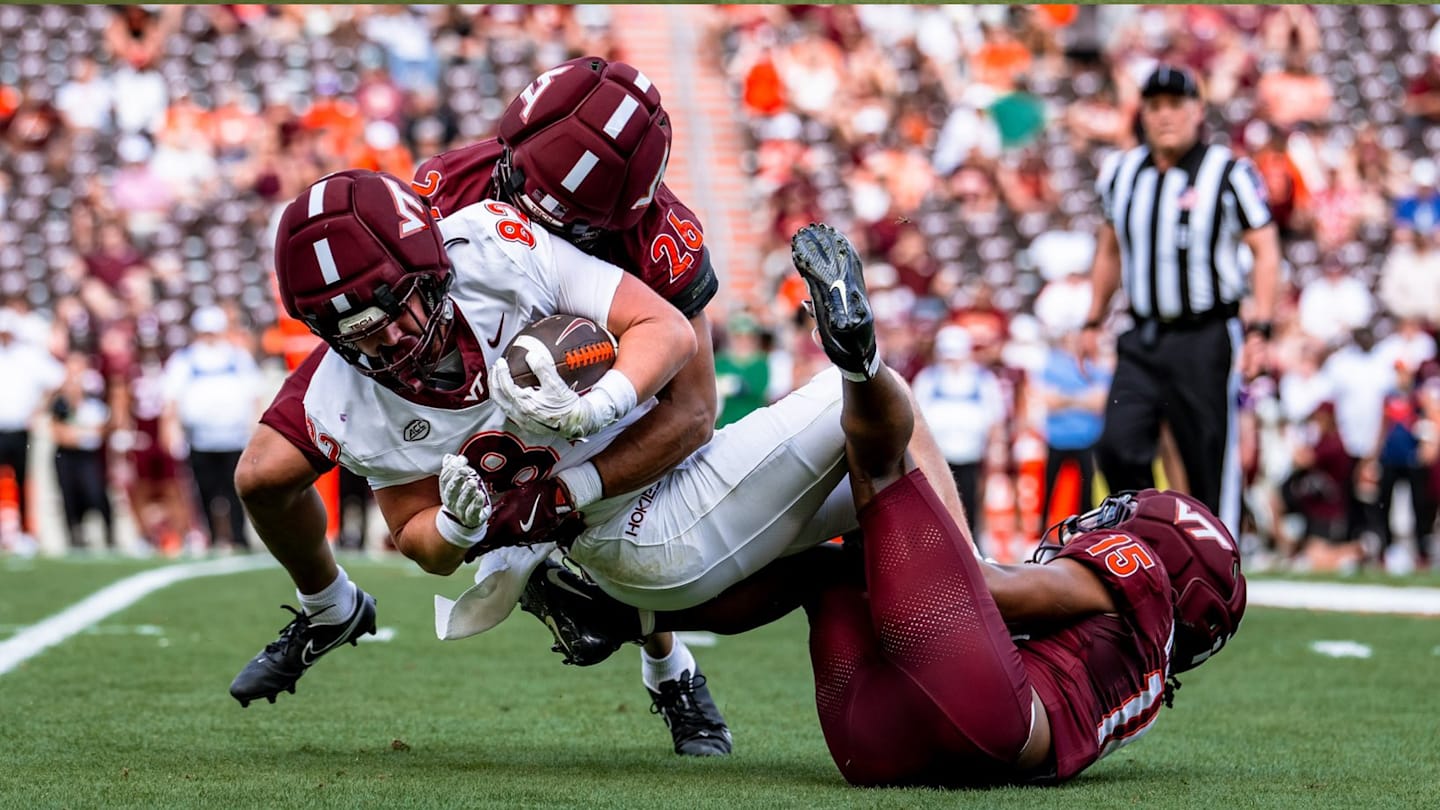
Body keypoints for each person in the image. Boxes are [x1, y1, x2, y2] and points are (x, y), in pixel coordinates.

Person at [542, 223, 1248, 787]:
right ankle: (622, 617)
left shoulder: (1136, 576)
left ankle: (860, 363)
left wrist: (944, 554)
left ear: (1167, 563)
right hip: (906, 745)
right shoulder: (1146, 674)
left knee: (882, 467)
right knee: (830, 569)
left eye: (1133, 519)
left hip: (955, 710)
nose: (1113, 518)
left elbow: (997, 595)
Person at [229, 57, 735, 756]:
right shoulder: (457, 186)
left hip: (576, 355)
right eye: (529, 188)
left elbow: (692, 413)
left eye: (568, 216)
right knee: (262, 474)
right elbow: (395, 299)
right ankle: (329, 608)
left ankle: (667, 666)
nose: (533, 216)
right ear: (513, 147)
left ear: (625, 213)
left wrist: (564, 492)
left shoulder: (660, 243)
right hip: (414, 324)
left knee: (626, 488)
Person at [1080, 64, 1282, 535]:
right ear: (1142, 114)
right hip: (1143, 336)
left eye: (1176, 105)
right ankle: (1149, 549)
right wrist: (1092, 319)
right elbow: (1110, 248)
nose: (1165, 116)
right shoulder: (1122, 172)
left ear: (1198, 111)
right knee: (1117, 446)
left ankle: (1214, 581)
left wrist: (1261, 329)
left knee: (1206, 461)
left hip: (1205, 335)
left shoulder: (1228, 172)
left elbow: (1266, 249)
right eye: (1155, 106)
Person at [162, 306, 262, 551]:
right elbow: (171, 400)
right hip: (200, 440)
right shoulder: (184, 360)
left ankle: (239, 538)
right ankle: (212, 538)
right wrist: (171, 433)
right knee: (205, 492)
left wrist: (255, 432)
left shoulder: (238, 358)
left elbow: (254, 396)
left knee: (236, 492)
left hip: (234, 439)